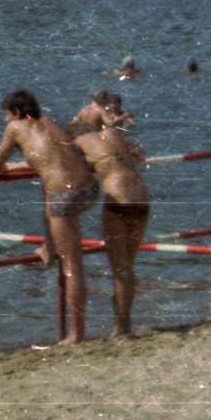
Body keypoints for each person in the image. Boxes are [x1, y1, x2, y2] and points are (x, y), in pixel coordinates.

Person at [0, 89, 98, 345]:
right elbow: (52, 159)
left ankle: (76, 334)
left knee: (72, 266)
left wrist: (5, 169)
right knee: (48, 187)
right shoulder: (49, 122)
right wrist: (18, 167)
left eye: (6, 114)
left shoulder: (14, 127)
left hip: (65, 197)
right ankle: (48, 245)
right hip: (89, 189)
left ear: (15, 112)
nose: (5, 120)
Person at [74, 124, 149, 337]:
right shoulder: (116, 133)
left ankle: (122, 327)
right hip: (142, 198)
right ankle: (123, 323)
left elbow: (66, 164)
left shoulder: (81, 141)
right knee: (128, 266)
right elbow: (140, 156)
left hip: (118, 200)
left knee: (120, 269)